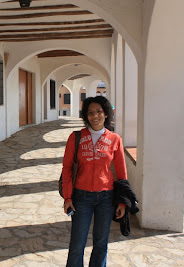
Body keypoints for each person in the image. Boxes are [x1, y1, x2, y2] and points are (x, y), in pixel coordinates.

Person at [62, 96, 127, 267]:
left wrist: (122, 201)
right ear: (86, 116)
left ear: (106, 114)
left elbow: (121, 173)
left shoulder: (115, 139)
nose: (95, 116)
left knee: (100, 243)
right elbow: (67, 168)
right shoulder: (75, 137)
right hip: (81, 198)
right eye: (90, 113)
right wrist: (68, 198)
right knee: (77, 244)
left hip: (106, 198)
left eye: (99, 111)